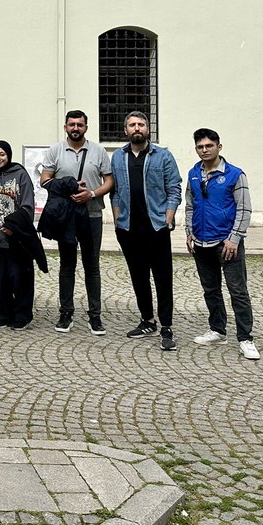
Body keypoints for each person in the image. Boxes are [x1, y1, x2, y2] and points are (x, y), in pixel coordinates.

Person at [109, 112, 183, 351]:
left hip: (156, 228)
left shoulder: (163, 156)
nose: (137, 128)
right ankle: (147, 320)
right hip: (129, 228)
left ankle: (167, 327)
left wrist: (168, 217)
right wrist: (117, 216)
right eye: (132, 125)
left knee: (163, 278)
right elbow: (116, 190)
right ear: (126, 130)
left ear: (148, 129)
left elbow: (174, 188)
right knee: (138, 276)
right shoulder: (118, 157)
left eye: (141, 124)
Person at [185, 128, 259, 360]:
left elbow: (244, 208)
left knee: (238, 291)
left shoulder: (235, 175)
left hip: (226, 243)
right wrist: (189, 232)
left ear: (219, 147)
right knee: (211, 290)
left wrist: (234, 238)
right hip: (201, 242)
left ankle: (246, 338)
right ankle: (218, 329)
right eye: (200, 147)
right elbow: (190, 204)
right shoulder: (194, 173)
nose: (204, 150)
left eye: (209, 146)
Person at [40, 110, 113, 336]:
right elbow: (45, 180)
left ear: (86, 128)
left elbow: (109, 181)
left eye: (79, 125)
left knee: (92, 267)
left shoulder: (98, 151)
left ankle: (95, 316)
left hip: (92, 216)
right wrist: (69, 186)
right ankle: (66, 313)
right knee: (67, 265)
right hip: (67, 218)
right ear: (65, 127)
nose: (75, 128)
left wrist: (90, 194)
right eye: (71, 124)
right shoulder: (55, 150)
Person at [0, 139, 38, 330]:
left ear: (8, 155)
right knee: (0, 279)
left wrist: (13, 227)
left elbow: (27, 206)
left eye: (2, 154)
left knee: (20, 277)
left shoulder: (21, 175)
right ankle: (5, 313)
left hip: (18, 238)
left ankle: (22, 315)